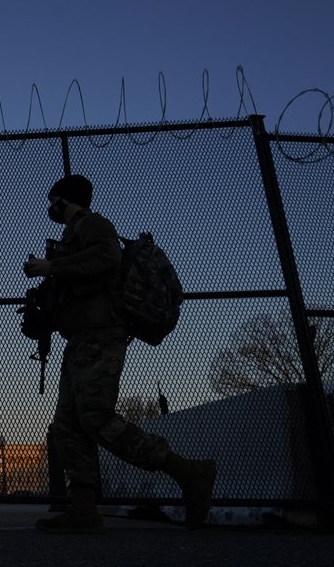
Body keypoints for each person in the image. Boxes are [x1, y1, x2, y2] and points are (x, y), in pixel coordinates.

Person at [23, 174, 215, 534]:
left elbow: (107, 257)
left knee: (95, 416)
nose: (50, 208)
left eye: (53, 200)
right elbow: (77, 286)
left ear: (65, 200)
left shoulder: (93, 224)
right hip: (80, 337)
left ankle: (188, 472)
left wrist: (52, 268)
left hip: (102, 333)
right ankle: (82, 507)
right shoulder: (71, 236)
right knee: (67, 422)